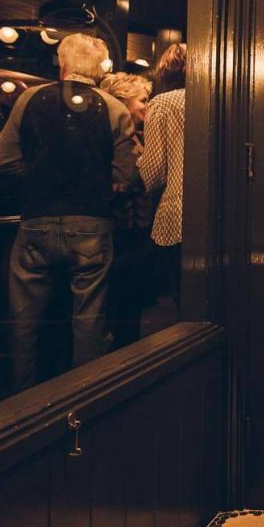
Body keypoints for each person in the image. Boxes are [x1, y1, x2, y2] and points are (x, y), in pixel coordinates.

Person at [0, 33, 138, 390]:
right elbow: (126, 174)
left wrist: (37, 174)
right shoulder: (113, 108)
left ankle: (21, 396)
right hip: (91, 222)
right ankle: (81, 395)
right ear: (99, 68)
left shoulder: (29, 99)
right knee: (89, 316)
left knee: (24, 320)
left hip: (37, 221)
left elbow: (0, 161)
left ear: (62, 61)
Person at [99, 72, 155, 347]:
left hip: (135, 235)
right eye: (143, 100)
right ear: (121, 103)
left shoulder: (138, 135)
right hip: (117, 235)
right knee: (118, 309)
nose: (148, 105)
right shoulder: (110, 141)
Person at [139, 43, 187, 314]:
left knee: (182, 301)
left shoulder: (162, 104)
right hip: (219, 216)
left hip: (178, 213)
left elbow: (154, 171)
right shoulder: (217, 101)